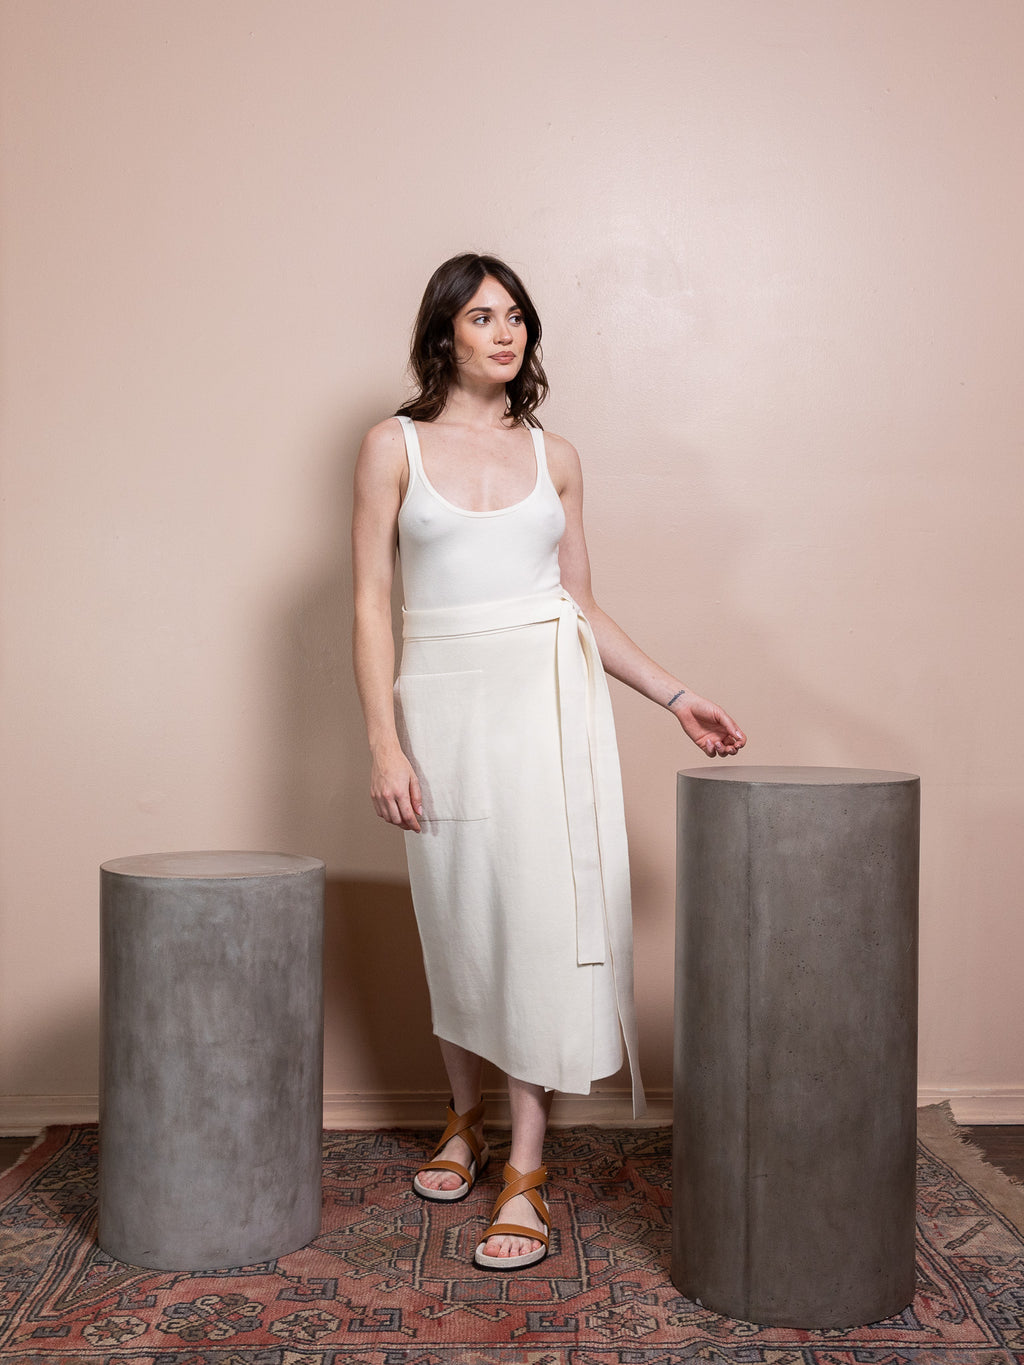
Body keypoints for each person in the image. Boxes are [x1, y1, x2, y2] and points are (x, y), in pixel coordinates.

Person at [351, 253, 745, 1271]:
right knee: (457, 917)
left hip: (544, 709)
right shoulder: (390, 446)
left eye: (517, 315)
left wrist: (674, 695)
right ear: (444, 333)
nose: (505, 331)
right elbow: (367, 604)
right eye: (483, 316)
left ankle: (523, 1163)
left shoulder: (556, 455)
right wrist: (384, 741)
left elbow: (580, 602)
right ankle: (463, 1114)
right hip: (439, 712)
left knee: (533, 918)